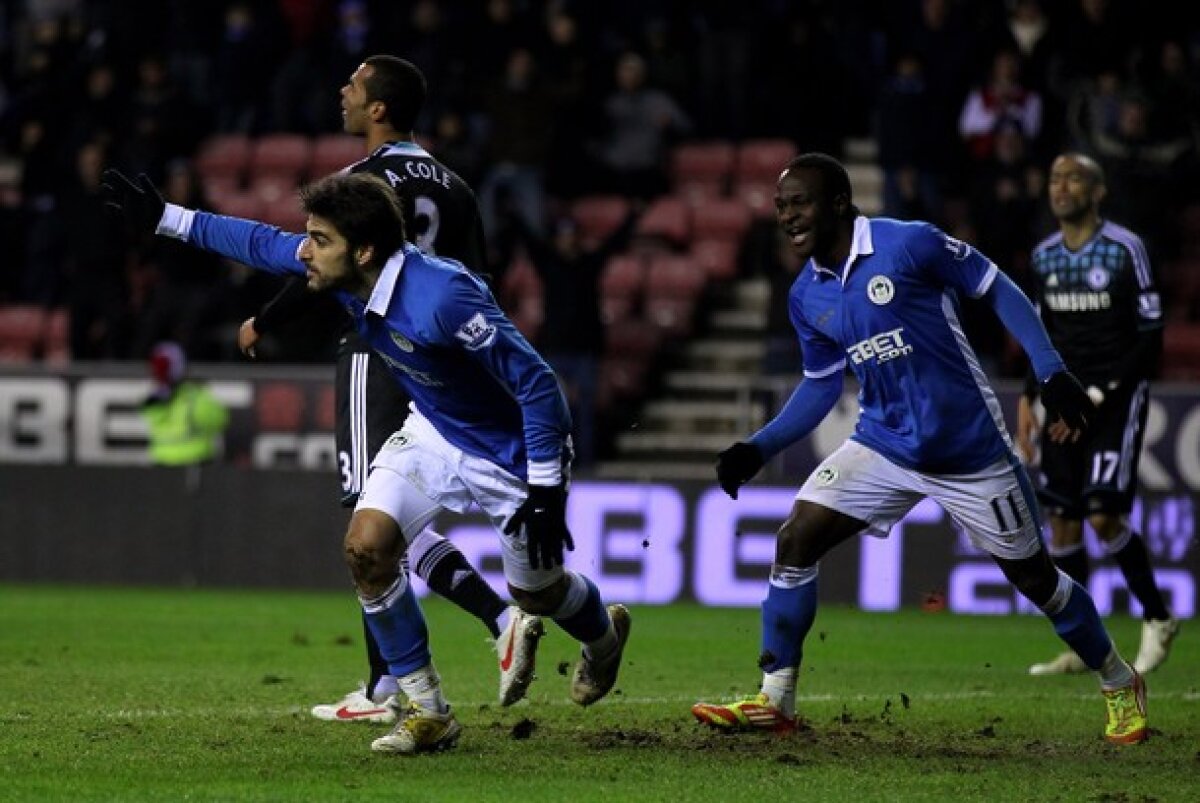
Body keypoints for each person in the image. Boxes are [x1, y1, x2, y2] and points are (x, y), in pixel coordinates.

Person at [101, 169, 632, 755]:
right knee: (366, 547)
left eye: (319, 240)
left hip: (510, 452)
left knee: (539, 595)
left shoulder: (443, 297)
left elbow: (537, 385)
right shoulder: (344, 269)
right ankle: (428, 710)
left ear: (365, 250)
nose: (306, 251)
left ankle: (604, 641)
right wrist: (166, 219)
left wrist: (546, 489)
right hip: (433, 431)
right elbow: (256, 241)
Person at [689, 153, 1147, 746]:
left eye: (798, 202)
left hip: (969, 453)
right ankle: (776, 698)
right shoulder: (807, 294)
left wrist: (1051, 370)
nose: (786, 216)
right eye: (779, 206)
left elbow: (995, 287)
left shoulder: (908, 245)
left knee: (1038, 579)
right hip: (884, 444)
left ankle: (1117, 677)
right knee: (794, 537)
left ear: (837, 202)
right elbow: (823, 382)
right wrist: (759, 446)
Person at [239, 55, 531, 724]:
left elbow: (316, 262)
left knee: (373, 514)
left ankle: (470, 634)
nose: (341, 91)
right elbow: (480, 279)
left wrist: (266, 318)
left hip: (374, 346)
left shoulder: (360, 182)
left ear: (377, 109)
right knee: (383, 514)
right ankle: (390, 679)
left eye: (353, 86)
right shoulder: (454, 183)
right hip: (439, 357)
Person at [1017, 152, 1179, 677]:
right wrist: (1027, 395)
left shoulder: (1125, 249)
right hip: (1064, 401)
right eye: (1054, 178)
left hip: (1115, 397)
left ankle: (1157, 617)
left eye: (1074, 179)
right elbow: (1040, 336)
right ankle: (1090, 646)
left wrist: (1101, 394)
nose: (1061, 187)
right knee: (1062, 525)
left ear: (1098, 191)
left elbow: (1151, 335)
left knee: (1102, 514)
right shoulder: (1043, 256)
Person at [141, 341, 229, 466]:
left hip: (161, 463)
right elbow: (220, 420)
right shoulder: (194, 396)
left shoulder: (152, 400)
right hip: (195, 462)